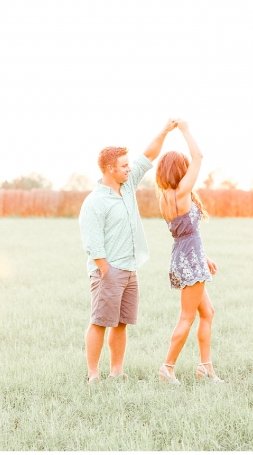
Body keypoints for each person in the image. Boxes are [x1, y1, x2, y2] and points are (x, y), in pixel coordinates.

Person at [79, 119, 178, 384]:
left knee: (121, 324)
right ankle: (93, 376)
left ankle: (117, 372)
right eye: (124, 166)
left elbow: (149, 155)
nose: (129, 168)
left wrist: (165, 130)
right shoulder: (95, 202)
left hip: (130, 269)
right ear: (110, 169)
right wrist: (105, 271)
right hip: (107, 271)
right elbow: (92, 242)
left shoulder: (128, 185)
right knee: (99, 322)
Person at [155, 119, 224, 385]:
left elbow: (184, 234)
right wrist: (184, 129)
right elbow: (199, 155)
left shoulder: (164, 197)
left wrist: (203, 258)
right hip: (189, 259)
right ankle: (167, 368)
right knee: (187, 316)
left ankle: (205, 367)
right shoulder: (181, 193)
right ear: (181, 170)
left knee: (208, 313)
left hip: (184, 256)